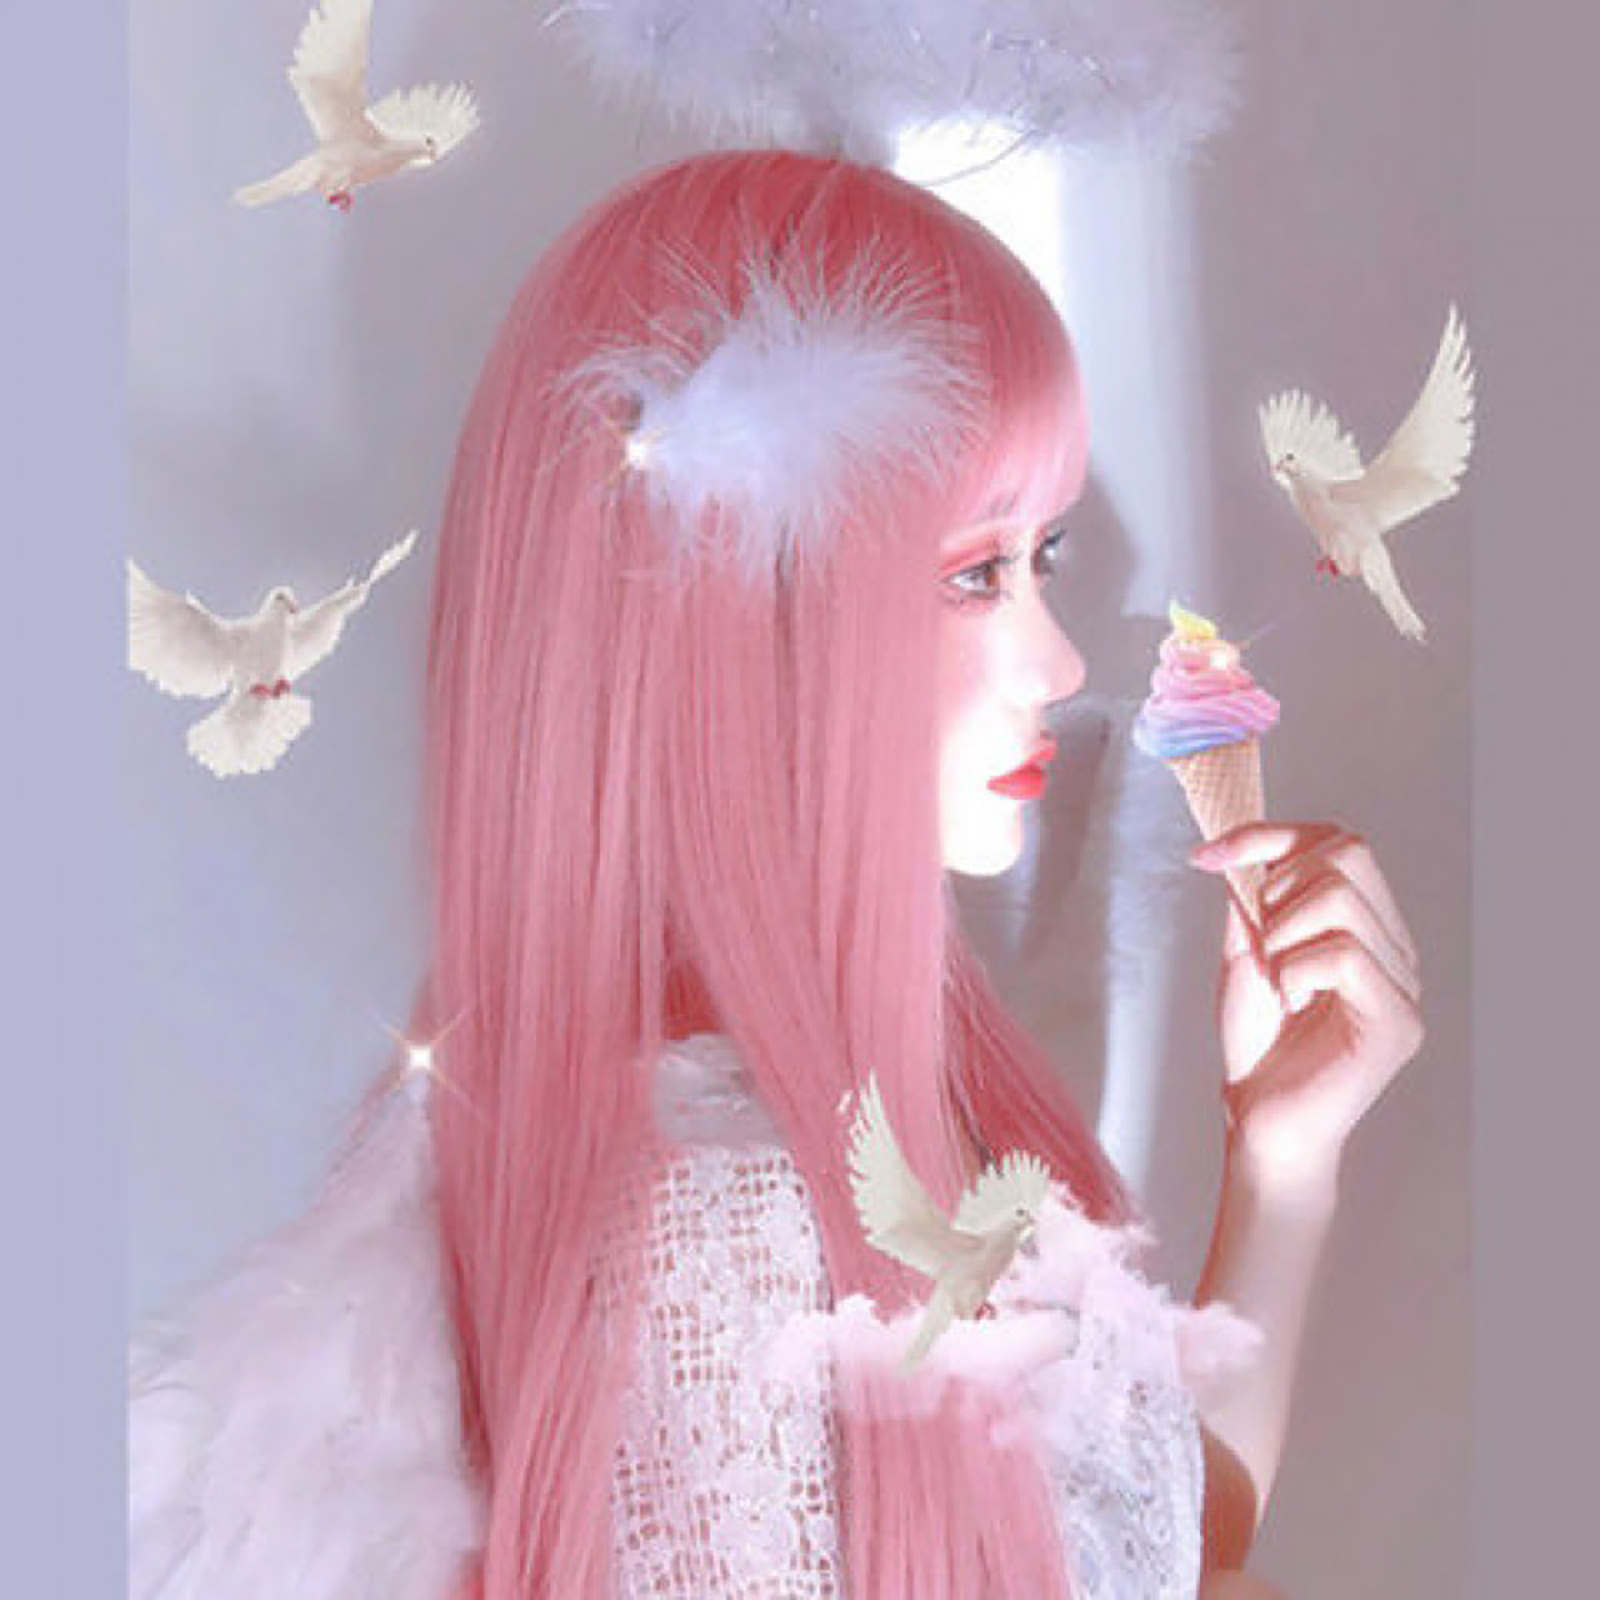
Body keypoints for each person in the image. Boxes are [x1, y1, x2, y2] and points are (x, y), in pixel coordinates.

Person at [132, 147, 1422, 1600]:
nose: (1058, 665)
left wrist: (1286, 1159)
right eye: (971, 573)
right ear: (736, 625)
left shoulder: (768, 1144)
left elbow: (1146, 1546)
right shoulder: (728, 1241)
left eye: (1044, 557)